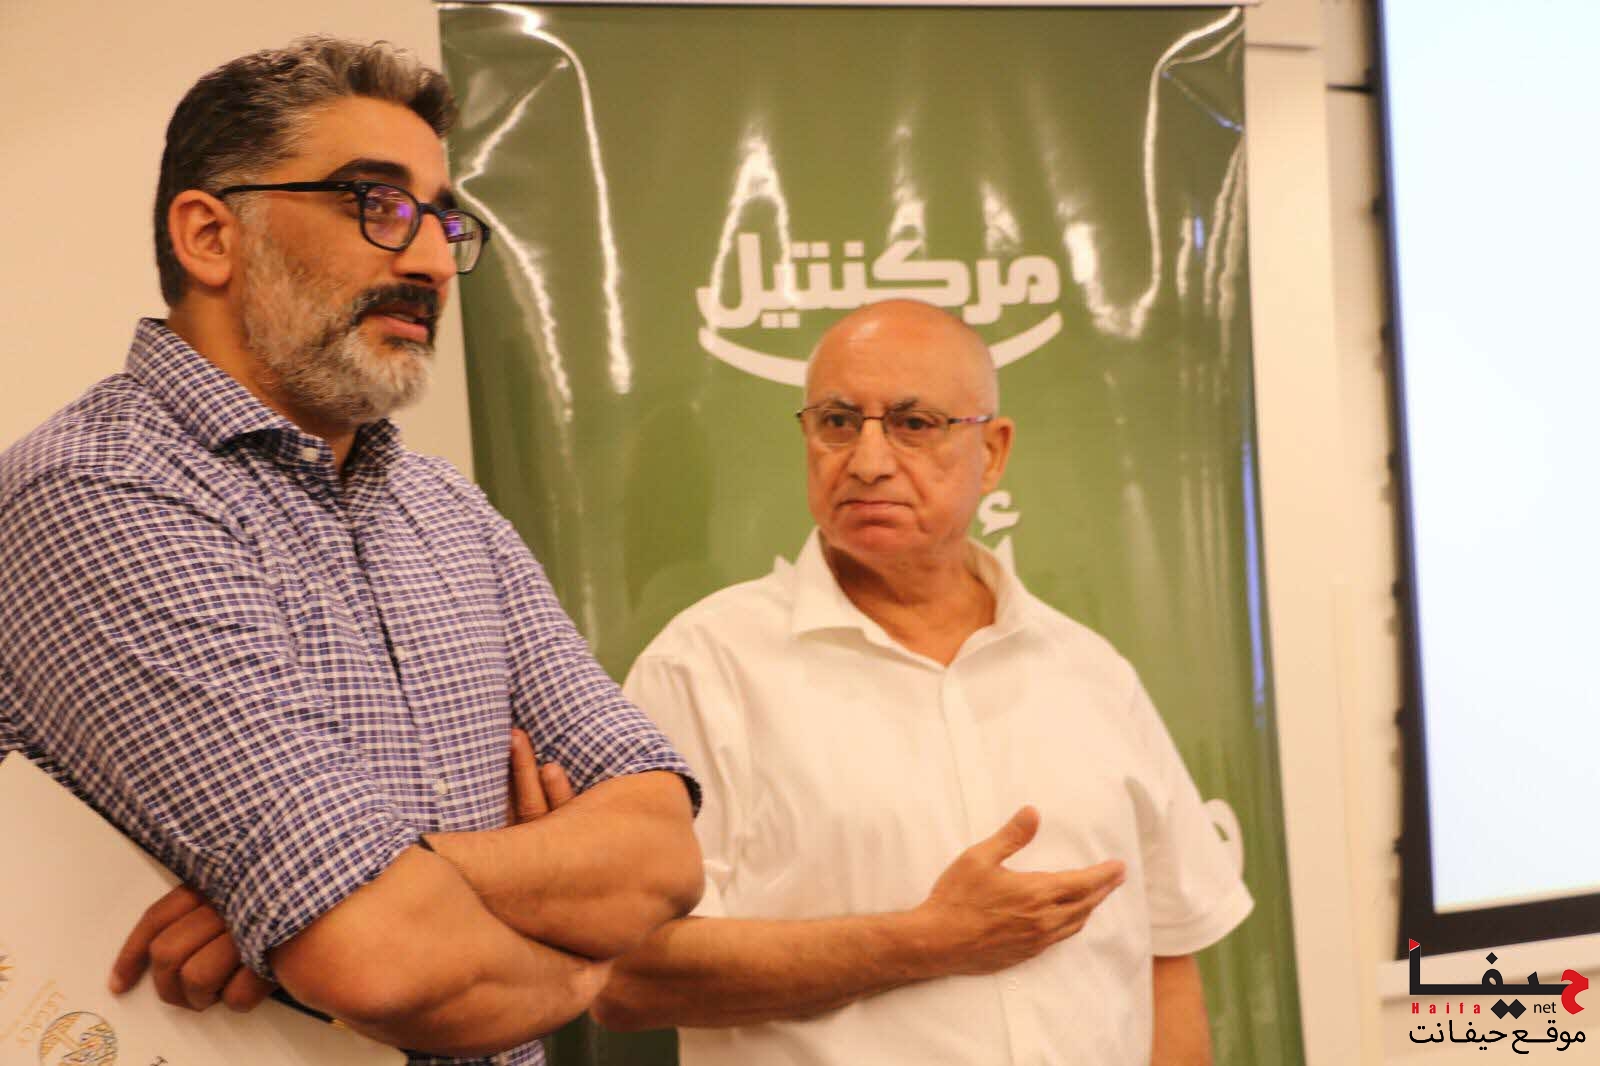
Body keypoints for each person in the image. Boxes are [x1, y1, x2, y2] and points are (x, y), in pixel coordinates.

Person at [0, 37, 701, 1065]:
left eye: (442, 220)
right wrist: (584, 961)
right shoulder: (96, 493)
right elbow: (387, 962)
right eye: (375, 204)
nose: (430, 262)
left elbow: (661, 855)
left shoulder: (449, 512)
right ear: (209, 236)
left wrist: (399, 879)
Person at [592, 299, 1253, 1065]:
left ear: (993, 452)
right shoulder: (705, 668)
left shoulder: (1091, 673)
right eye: (839, 422)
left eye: (914, 424)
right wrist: (925, 942)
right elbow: (627, 979)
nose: (868, 461)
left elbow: (1166, 953)